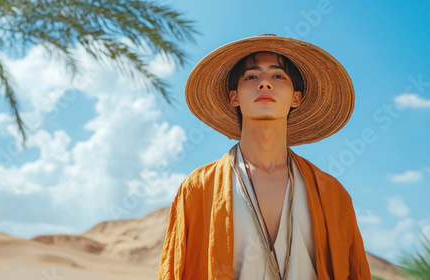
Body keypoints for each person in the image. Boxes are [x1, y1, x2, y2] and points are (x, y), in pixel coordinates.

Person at [158, 34, 371, 279]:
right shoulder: (197, 189)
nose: (265, 84)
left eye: (278, 76)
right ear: (234, 97)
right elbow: (174, 271)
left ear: (296, 98)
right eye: (251, 76)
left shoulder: (332, 194)